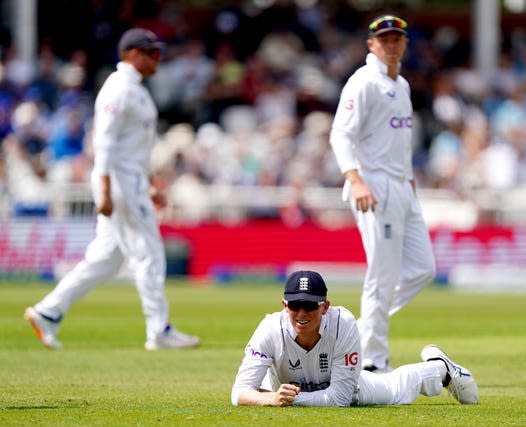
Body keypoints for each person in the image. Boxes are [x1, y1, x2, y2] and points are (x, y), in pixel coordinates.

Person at [24, 28, 200, 351]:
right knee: (149, 253)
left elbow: (134, 148)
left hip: (129, 180)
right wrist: (104, 190)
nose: (157, 59)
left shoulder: (138, 91)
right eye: (152, 53)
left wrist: (149, 184)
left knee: (104, 259)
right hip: (119, 183)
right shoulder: (118, 89)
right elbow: (103, 143)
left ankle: (47, 312)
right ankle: (158, 329)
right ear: (133, 54)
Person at [329, 14, 436, 372]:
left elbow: (398, 143)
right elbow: (340, 135)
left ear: (405, 43)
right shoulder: (363, 83)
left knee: (423, 269)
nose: (391, 45)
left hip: (401, 187)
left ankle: (355, 336)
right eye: (384, 40)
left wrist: (408, 180)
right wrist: (355, 179)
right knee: (382, 274)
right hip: (373, 186)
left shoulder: (401, 85)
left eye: (397, 39)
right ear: (371, 44)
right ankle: (372, 357)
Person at [231, 270, 478, 407]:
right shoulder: (269, 328)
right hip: (285, 391)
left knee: (396, 390)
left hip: (348, 388)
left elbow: (338, 399)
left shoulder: (344, 323)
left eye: (310, 305)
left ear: (325, 306)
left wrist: (285, 400)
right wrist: (269, 398)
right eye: (295, 305)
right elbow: (239, 393)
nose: (302, 313)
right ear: (284, 305)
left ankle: (440, 369)